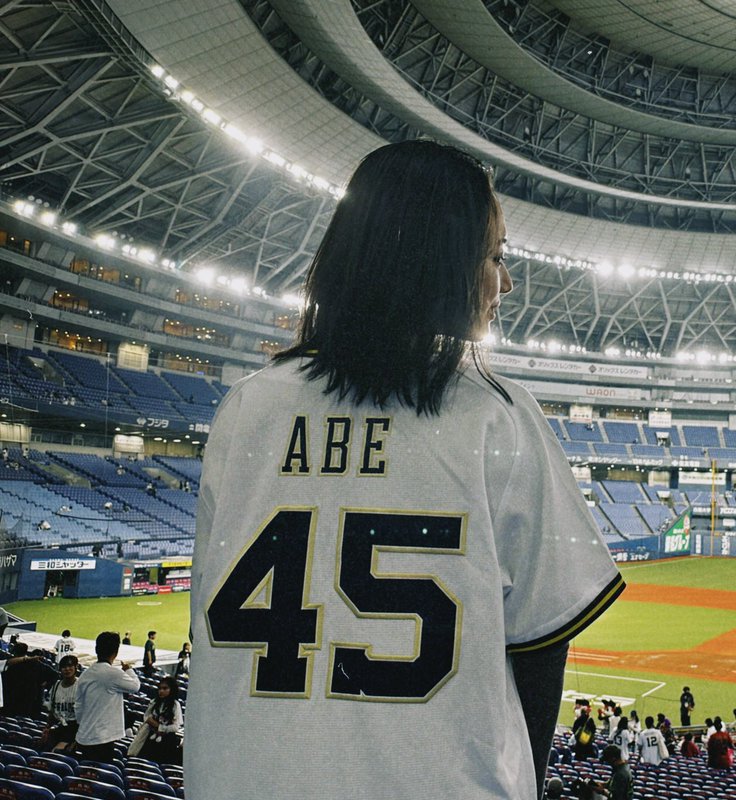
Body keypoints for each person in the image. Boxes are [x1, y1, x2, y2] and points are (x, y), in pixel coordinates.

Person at [186, 140, 624, 800]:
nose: (504, 283)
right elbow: (539, 649)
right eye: (495, 256)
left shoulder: (246, 408)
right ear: (438, 262)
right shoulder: (498, 419)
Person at [74, 631, 140, 762]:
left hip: (84, 735)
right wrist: (128, 669)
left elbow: (78, 706)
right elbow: (136, 686)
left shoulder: (86, 674)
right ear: (115, 652)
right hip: (102, 739)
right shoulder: (113, 673)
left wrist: (85, 724)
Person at [138, 676, 184, 765]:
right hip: (150, 739)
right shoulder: (154, 702)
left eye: (165, 688)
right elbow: (146, 716)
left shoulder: (175, 705)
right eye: (160, 688)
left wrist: (160, 727)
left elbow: (176, 727)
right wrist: (150, 722)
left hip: (166, 743)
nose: (161, 691)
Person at [41, 654, 80, 752]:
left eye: (70, 666)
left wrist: (77, 740)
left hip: (74, 729)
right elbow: (52, 710)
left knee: (56, 752)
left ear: (76, 668)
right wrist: (47, 728)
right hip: (59, 726)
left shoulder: (81, 686)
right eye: (64, 667)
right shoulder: (56, 686)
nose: (67, 669)